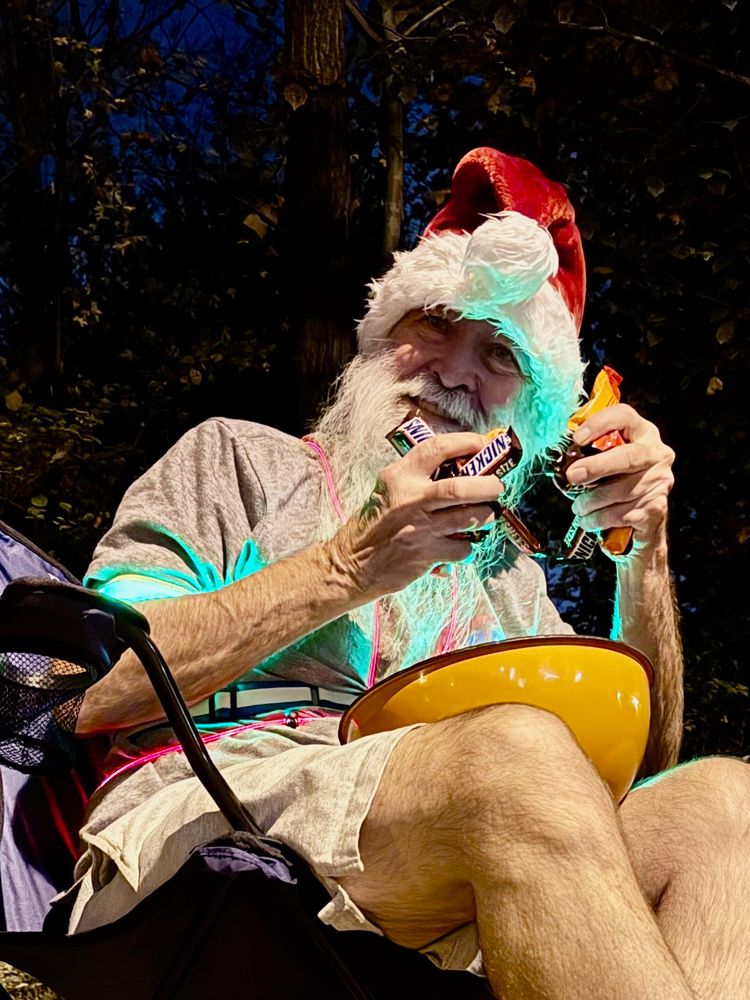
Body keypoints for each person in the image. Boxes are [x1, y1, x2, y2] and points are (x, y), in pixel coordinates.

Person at [71, 147, 749, 999]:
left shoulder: (506, 565)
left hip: (461, 850)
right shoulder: (238, 458)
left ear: (527, 412)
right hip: (208, 815)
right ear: (380, 335)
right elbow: (89, 691)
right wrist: (349, 565)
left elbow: (646, 755)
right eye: (435, 320)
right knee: (516, 756)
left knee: (725, 803)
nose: (457, 371)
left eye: (499, 352)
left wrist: (643, 548)